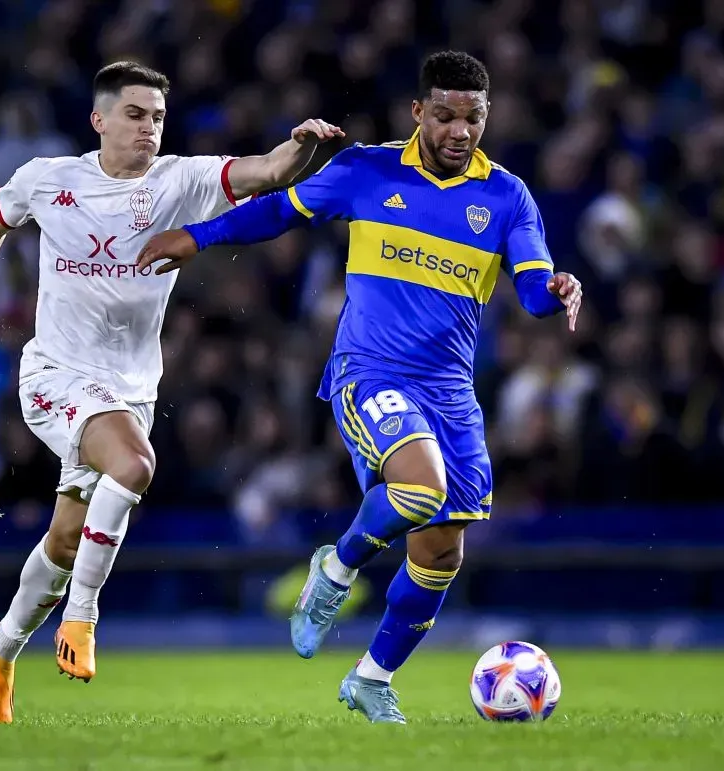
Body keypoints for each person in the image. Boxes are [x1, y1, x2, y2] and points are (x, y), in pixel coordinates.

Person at [135, 51, 582, 724]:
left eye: (474, 117)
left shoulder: (507, 195)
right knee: (419, 488)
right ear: (418, 113)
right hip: (369, 370)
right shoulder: (367, 170)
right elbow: (278, 213)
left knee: (440, 552)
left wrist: (555, 293)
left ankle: (371, 678)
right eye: (446, 115)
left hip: (451, 394)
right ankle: (335, 570)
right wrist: (196, 238)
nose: (461, 131)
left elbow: (530, 285)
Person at [0, 60, 343, 724]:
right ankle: (83, 618)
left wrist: (305, 146)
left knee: (66, 543)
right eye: (134, 114)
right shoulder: (48, 178)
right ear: (99, 119)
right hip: (54, 377)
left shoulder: (179, 180)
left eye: (156, 117)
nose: (148, 128)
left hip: (128, 391)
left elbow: (267, 171)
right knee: (136, 464)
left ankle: (0, 646)